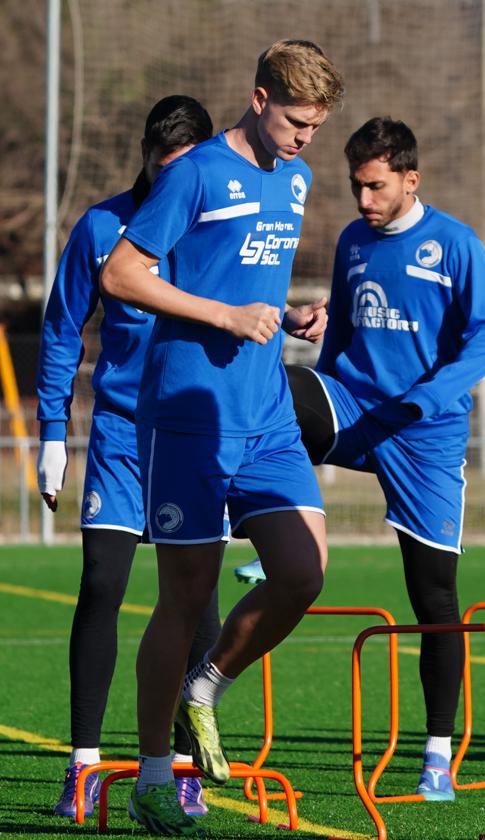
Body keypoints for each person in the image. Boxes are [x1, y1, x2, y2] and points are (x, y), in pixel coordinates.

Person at [99, 40, 343, 835]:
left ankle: (207, 686)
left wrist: (293, 312)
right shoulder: (195, 172)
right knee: (186, 595)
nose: (307, 138)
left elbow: (251, 281)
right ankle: (147, 776)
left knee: (304, 572)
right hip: (191, 417)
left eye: (317, 126)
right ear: (260, 98)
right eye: (298, 121)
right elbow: (123, 275)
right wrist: (224, 316)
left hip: (268, 415)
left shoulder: (299, 178)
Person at [275, 116, 485, 799]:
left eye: (375, 186)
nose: (363, 200)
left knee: (434, 597)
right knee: (271, 387)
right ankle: (282, 530)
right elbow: (341, 333)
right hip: (355, 408)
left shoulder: (456, 245)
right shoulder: (352, 241)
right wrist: (317, 393)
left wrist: (433, 395)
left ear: (411, 179)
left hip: (425, 435)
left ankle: (437, 754)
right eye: (355, 185)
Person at [37, 95, 220, 820]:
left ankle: (180, 765)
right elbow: (61, 328)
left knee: (196, 598)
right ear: (144, 153)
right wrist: (52, 431)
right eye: (158, 162)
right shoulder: (101, 225)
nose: (168, 176)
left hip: (193, 436)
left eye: (183, 167)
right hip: (118, 433)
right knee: (102, 583)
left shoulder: (216, 229)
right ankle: (82, 767)